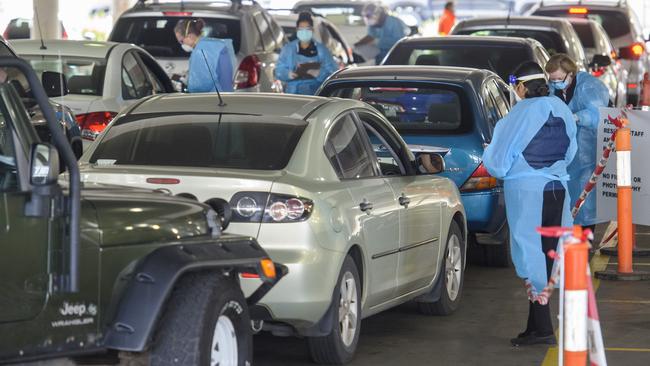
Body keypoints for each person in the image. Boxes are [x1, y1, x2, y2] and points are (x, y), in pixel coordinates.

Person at [482, 61, 577, 346]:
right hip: (558, 190)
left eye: (515, 86)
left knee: (530, 257)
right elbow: (571, 151)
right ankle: (536, 326)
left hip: (527, 192)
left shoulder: (517, 113)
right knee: (548, 255)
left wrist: (495, 158)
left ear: (521, 86)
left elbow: (498, 163)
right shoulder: (561, 108)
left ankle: (544, 328)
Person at [545, 54, 610, 233]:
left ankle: (584, 241)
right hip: (563, 153)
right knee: (567, 199)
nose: (556, 83)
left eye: (559, 79)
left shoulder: (589, 86)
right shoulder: (553, 88)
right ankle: (570, 240)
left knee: (585, 200)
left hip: (587, 151)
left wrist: (577, 117)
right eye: (552, 79)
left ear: (571, 74)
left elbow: (598, 114)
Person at [275, 12, 339, 95]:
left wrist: (319, 73)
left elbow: (333, 72)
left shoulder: (322, 50)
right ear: (297, 30)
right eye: (301, 28)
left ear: (312, 30)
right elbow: (279, 70)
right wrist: (288, 74)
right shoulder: (288, 49)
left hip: (314, 94)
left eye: (307, 28)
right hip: (293, 94)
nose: (304, 31)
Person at [174, 18, 236, 93]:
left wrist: (186, 81)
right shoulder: (217, 45)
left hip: (212, 99)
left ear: (190, 36)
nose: (182, 44)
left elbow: (199, 86)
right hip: (227, 95)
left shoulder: (200, 52)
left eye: (181, 41)